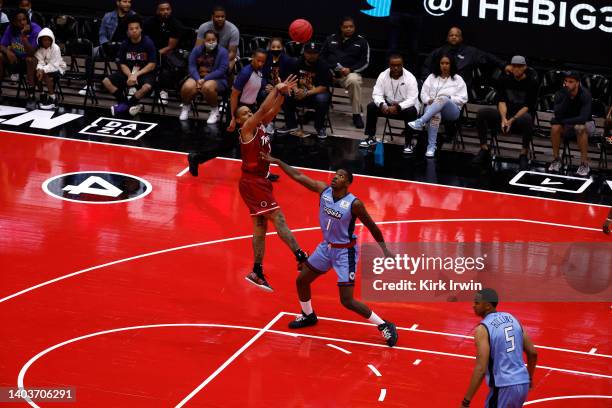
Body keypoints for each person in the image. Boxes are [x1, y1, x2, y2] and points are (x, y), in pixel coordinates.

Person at [260, 153, 399, 347]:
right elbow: (298, 176)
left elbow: (372, 227)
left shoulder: (354, 204)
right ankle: (308, 315)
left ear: (348, 183)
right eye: (335, 174)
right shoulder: (323, 191)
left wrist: (385, 251)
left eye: (341, 176)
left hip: (345, 253)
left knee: (347, 301)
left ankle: (384, 325)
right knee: (302, 280)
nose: (335, 177)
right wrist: (279, 162)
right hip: (326, 248)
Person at [232, 74, 308, 291]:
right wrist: (276, 88)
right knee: (278, 217)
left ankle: (257, 271)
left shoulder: (261, 126)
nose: (249, 114)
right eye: (244, 113)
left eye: (249, 111)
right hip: (252, 182)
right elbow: (262, 110)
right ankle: (300, 256)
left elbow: (271, 110)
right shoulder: (246, 129)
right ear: (239, 120)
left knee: (260, 226)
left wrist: (282, 94)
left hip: (259, 182)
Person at [461, 288, 537, 408]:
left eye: (476, 303)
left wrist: (466, 401)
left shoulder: (483, 329)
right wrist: (529, 377)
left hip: (504, 386)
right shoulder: (512, 319)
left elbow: (481, 368)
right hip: (522, 383)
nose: (473, 306)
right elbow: (533, 353)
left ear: (487, 306)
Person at [473, 56, 538, 169]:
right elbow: (501, 101)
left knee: (527, 118)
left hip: (520, 117)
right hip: (505, 115)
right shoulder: (504, 79)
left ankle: (523, 154)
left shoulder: (532, 83)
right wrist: (504, 119)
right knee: (482, 113)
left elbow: (528, 106)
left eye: (519, 66)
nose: (516, 69)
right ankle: (484, 149)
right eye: (514, 66)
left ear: (524, 67)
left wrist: (512, 120)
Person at [409, 54, 468, 158]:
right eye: (442, 63)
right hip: (432, 108)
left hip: (451, 111)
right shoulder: (431, 77)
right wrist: (428, 100)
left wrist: (449, 98)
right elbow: (423, 94)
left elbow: (464, 98)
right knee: (436, 114)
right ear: (438, 64)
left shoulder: (458, 79)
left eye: (447, 63)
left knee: (444, 98)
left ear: (451, 65)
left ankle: (421, 121)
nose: (444, 66)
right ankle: (431, 147)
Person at [360, 54, 419, 153]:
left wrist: (399, 107)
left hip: (405, 107)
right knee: (372, 106)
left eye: (398, 65)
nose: (396, 68)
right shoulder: (383, 75)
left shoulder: (410, 78)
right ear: (389, 65)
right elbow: (376, 94)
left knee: (411, 111)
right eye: (393, 65)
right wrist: (382, 104)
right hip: (388, 106)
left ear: (402, 65)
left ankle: (408, 143)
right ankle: (371, 137)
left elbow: (412, 99)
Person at [102, 14, 156, 117]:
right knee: (106, 81)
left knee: (146, 87)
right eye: (131, 29)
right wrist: (130, 75)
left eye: (136, 28)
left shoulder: (148, 43)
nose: (134, 31)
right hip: (129, 72)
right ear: (128, 32)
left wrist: (136, 75)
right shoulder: (125, 44)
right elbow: (122, 63)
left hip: (144, 72)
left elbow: (152, 65)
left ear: (141, 30)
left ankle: (125, 106)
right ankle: (127, 103)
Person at [320, 16, 369, 129]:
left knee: (354, 81)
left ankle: (356, 115)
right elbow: (321, 57)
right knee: (317, 76)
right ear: (341, 28)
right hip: (330, 72)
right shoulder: (330, 39)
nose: (348, 29)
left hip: (349, 74)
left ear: (354, 27)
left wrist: (350, 69)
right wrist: (330, 68)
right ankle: (317, 112)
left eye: (351, 27)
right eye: (345, 27)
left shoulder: (362, 42)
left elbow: (365, 62)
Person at [421, 27, 510, 88]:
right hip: (440, 86)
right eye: (451, 35)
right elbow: (426, 65)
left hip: (460, 88)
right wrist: (429, 82)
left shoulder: (470, 52)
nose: (454, 37)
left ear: (461, 38)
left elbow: (488, 57)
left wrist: (504, 65)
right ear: (447, 38)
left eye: (457, 35)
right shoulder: (439, 51)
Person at [280, 42, 332, 139]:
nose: (311, 55)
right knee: (286, 94)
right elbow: (291, 79)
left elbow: (324, 87)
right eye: (309, 53)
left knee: (322, 99)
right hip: (300, 93)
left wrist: (306, 93)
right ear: (304, 53)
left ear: (318, 54)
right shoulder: (297, 62)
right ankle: (291, 125)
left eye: (314, 53)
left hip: (315, 93)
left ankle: (320, 127)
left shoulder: (323, 65)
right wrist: (295, 90)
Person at [547, 71, 595, 177]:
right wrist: (566, 97)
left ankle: (584, 164)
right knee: (555, 127)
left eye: (571, 82)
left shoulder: (585, 94)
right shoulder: (560, 94)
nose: (567, 84)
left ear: (577, 83)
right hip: (568, 125)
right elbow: (557, 114)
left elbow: (583, 118)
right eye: (566, 81)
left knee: (579, 127)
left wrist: (562, 121)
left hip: (587, 124)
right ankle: (556, 160)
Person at [178, 30, 228, 123]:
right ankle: (186, 107)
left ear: (217, 40)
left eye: (213, 39)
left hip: (217, 79)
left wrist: (204, 79)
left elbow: (221, 71)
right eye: (208, 40)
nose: (211, 42)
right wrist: (197, 79)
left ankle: (214, 111)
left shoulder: (223, 52)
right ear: (204, 40)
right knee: (187, 86)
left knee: (207, 87)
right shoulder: (197, 50)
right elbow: (191, 66)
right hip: (198, 77)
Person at [144, 0, 183, 105]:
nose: (165, 12)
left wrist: (155, 54)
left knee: (164, 64)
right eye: (162, 10)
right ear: (157, 11)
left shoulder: (175, 24)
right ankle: (144, 87)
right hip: (151, 50)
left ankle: (163, 91)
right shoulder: (149, 22)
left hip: (169, 53)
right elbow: (145, 40)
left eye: (168, 9)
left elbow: (170, 46)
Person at [0, 9, 40, 105]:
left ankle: (31, 95)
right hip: (17, 59)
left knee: (29, 59)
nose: (22, 22)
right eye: (19, 20)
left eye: (24, 19)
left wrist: (23, 36)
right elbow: (1, 45)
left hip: (35, 62)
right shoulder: (10, 28)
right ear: (14, 22)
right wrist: (8, 52)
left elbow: (31, 52)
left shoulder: (35, 29)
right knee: (0, 56)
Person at [260, 37, 296, 133]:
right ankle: (267, 122)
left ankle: (291, 124)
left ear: (282, 47)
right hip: (270, 86)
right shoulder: (266, 58)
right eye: (273, 47)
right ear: (269, 47)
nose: (275, 49)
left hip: (284, 87)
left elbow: (290, 77)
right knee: (263, 94)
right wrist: (265, 85)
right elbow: (262, 75)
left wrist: (280, 87)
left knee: (285, 97)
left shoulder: (288, 60)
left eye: (278, 47)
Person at [227, 48, 267, 131]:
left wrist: (267, 87)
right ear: (253, 57)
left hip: (250, 108)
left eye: (263, 62)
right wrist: (233, 117)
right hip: (239, 108)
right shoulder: (245, 72)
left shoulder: (261, 71)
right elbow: (234, 95)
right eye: (258, 60)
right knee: (233, 138)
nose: (260, 64)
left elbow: (258, 85)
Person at [195, 6, 239, 74]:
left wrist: (217, 61)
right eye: (217, 17)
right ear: (212, 17)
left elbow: (232, 53)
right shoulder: (203, 27)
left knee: (227, 68)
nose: (220, 19)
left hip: (227, 55)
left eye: (222, 16)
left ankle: (227, 84)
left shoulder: (233, 30)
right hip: (209, 53)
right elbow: (197, 48)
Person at [34, 27, 66, 110]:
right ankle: (42, 94)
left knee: (44, 74)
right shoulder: (39, 49)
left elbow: (54, 64)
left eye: (48, 40)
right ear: (40, 40)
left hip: (58, 68)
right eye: (44, 40)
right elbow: (40, 62)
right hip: (45, 68)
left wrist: (42, 70)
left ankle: (53, 99)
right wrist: (39, 69)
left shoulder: (56, 48)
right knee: (37, 73)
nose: (46, 42)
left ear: (52, 39)